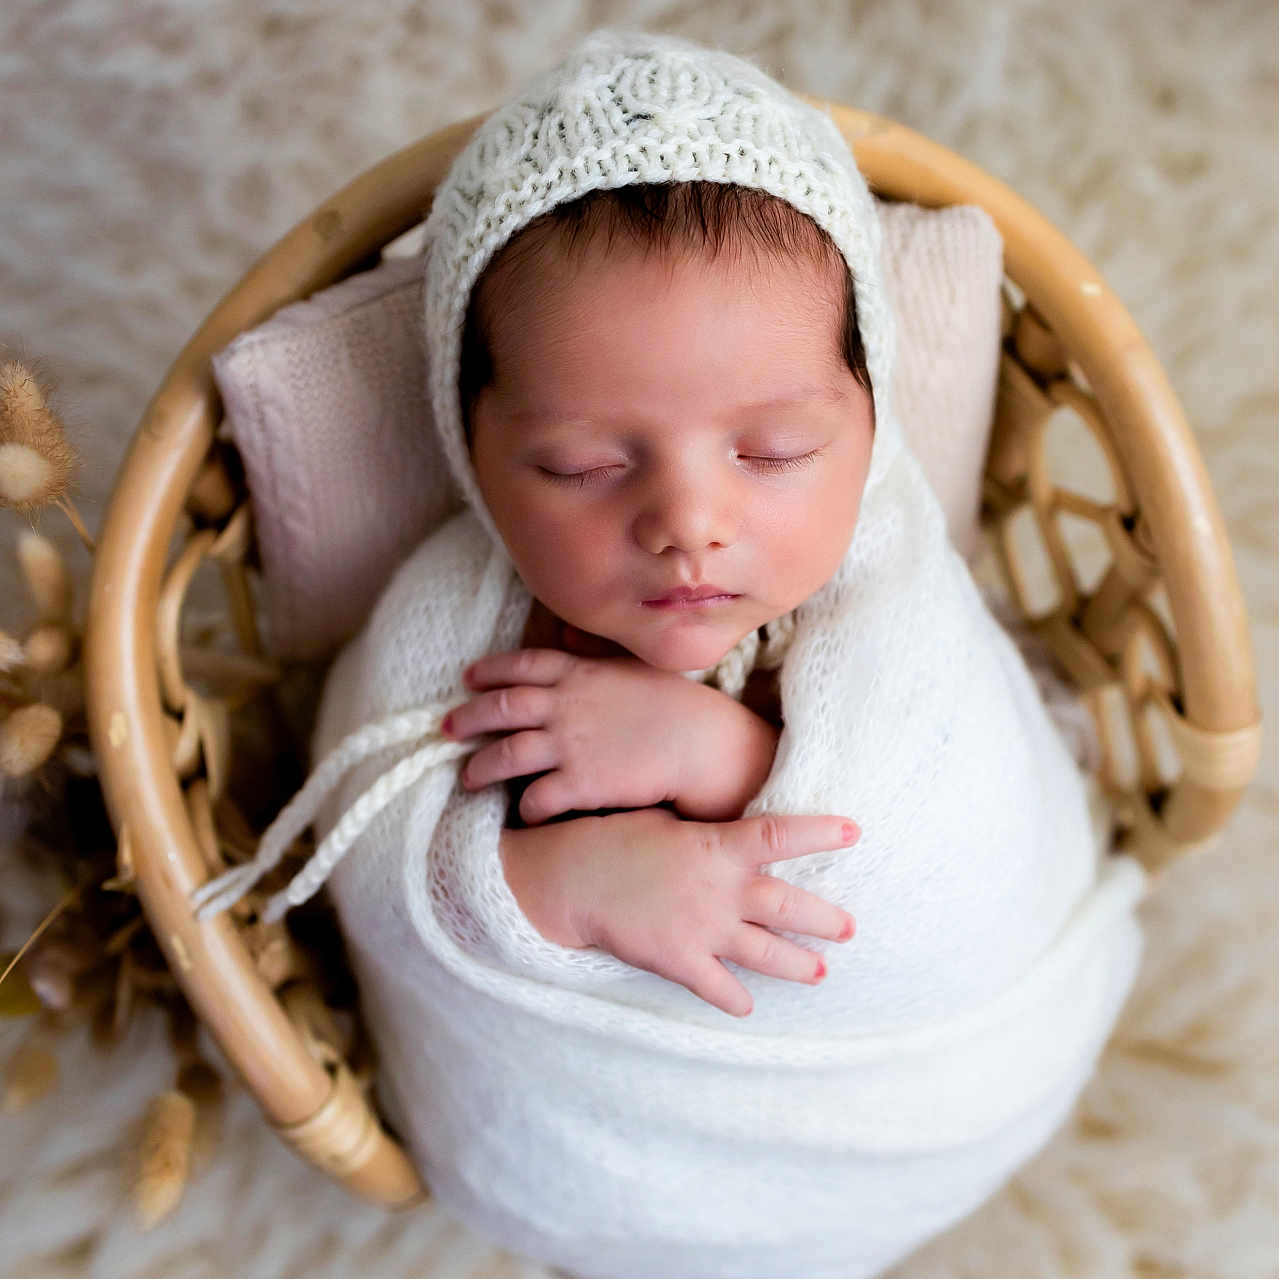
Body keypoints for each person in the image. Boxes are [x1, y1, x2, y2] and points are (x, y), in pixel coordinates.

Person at [194, 30, 1146, 1279]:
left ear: (869, 415)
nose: (687, 522)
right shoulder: (453, 625)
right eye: (583, 464)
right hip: (584, 1156)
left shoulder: (896, 598)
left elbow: (962, 849)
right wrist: (562, 887)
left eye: (773, 452)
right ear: (470, 451)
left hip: (937, 1095)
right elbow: (374, 858)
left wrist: (724, 756)